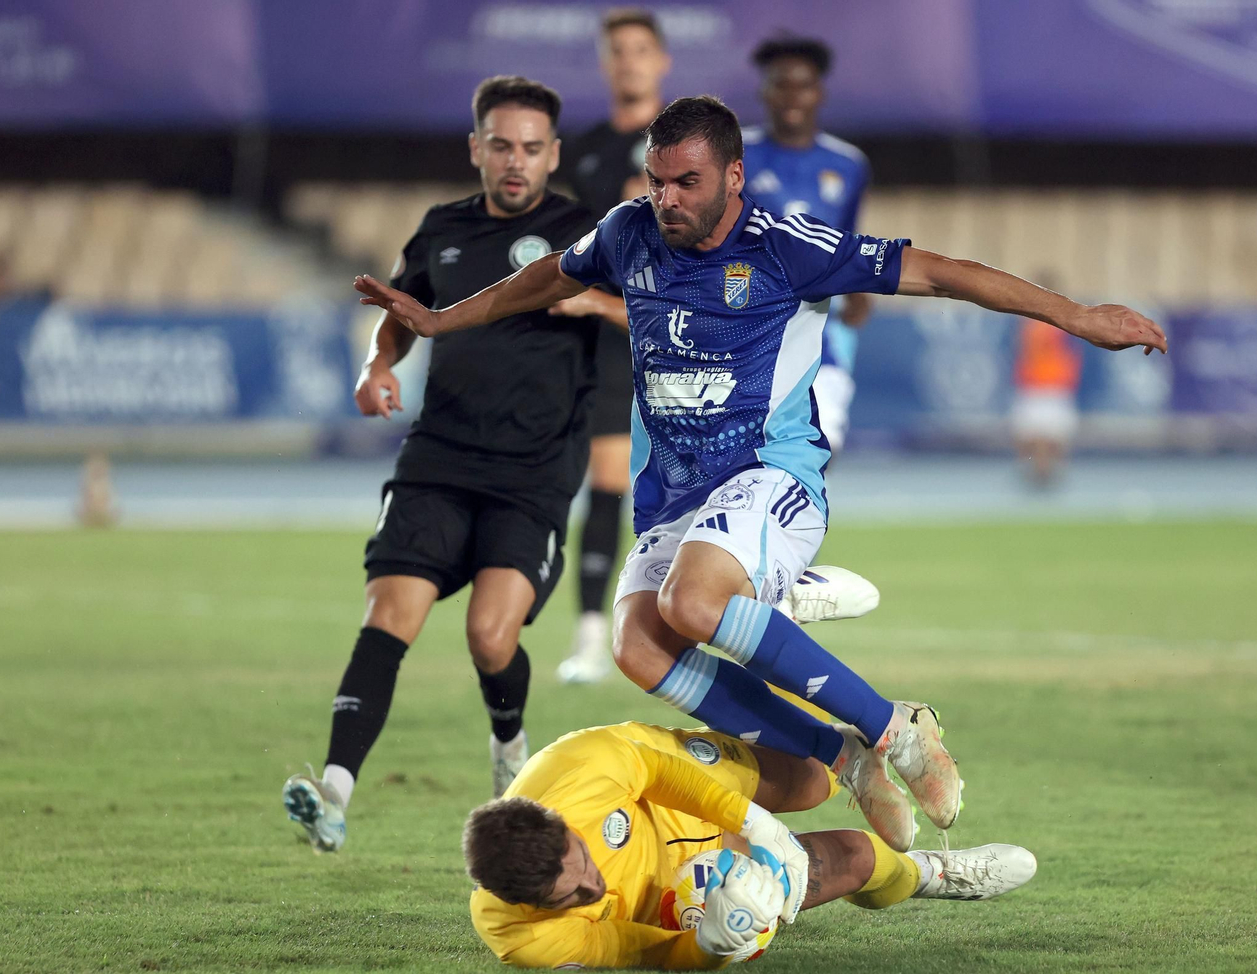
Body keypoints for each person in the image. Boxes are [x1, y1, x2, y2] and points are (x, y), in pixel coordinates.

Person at [352, 95, 1167, 847]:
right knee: (639, 647)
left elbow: (941, 271)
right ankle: (841, 755)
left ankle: (896, 729)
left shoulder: (786, 248)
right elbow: (544, 278)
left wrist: (1075, 315)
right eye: (657, 180)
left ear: (734, 177)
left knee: (692, 601)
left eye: (687, 182)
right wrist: (440, 321)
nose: (667, 198)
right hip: (674, 497)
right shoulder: (628, 232)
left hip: (771, 476)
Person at [282, 76, 626, 852]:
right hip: (438, 458)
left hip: (534, 472)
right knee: (387, 616)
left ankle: (508, 742)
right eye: (501, 145)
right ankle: (333, 794)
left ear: (554, 155)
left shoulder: (587, 233)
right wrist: (379, 364)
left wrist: (593, 302)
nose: (516, 161)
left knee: (489, 638)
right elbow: (403, 313)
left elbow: (655, 311)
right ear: (477, 149)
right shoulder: (442, 228)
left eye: (531, 148)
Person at [463, 721, 1038, 969]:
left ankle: (775, 619)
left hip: (678, 786)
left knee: (811, 779)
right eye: (571, 897)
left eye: (584, 862)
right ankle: (932, 873)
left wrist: (756, 824)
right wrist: (710, 947)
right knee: (860, 858)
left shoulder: (580, 769)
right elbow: (644, 954)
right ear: (524, 903)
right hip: (677, 896)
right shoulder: (526, 938)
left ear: (563, 825)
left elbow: (659, 773)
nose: (593, 886)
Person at [555, 8, 672, 684]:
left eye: (640, 49)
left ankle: (714, 629)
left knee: (695, 492)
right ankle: (591, 643)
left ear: (661, 61)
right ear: (606, 64)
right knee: (605, 487)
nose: (629, 61)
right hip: (610, 343)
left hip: (681, 341)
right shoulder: (588, 150)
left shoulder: (685, 144)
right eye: (617, 51)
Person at [742, 35, 871, 455]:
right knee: (747, 454)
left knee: (819, 446)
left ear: (820, 92)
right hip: (747, 327)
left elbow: (847, 239)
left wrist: (859, 289)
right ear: (765, 91)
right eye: (781, 84)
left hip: (821, 331)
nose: (792, 96)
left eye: (804, 85)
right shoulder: (734, 153)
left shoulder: (849, 164)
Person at [1011, 312, 1084, 489]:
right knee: (1031, 436)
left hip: (1055, 386)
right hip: (1034, 386)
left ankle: (1051, 474)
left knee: (1055, 437)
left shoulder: (1063, 323)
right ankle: (1034, 473)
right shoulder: (1029, 325)